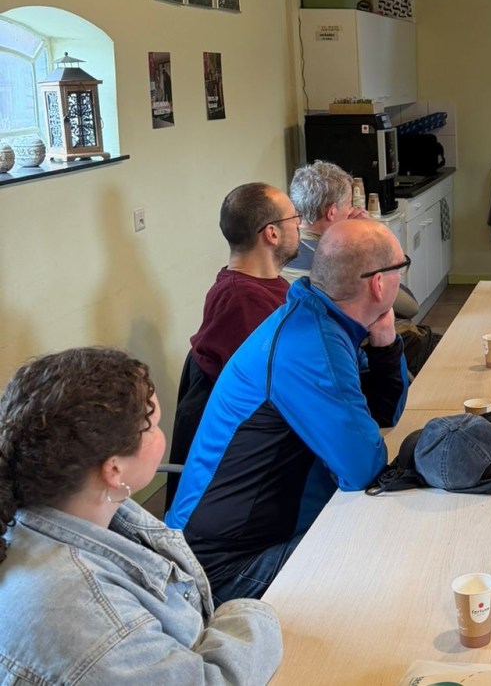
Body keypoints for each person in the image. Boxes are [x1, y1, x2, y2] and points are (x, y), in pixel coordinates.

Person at [0, 347, 283, 683]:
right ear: (114, 469)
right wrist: (249, 611)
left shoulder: (88, 506)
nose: (161, 434)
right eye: (153, 425)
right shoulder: (88, 617)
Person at [168, 219, 411, 603]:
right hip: (219, 570)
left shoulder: (321, 319)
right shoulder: (313, 348)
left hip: (239, 542)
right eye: (402, 267)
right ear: (379, 284)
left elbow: (383, 415)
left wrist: (384, 344)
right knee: (387, 555)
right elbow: (363, 468)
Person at [167, 182, 301, 505]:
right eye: (294, 217)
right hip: (241, 472)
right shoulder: (242, 301)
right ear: (271, 234)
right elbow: (279, 393)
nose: (299, 224)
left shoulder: (260, 285)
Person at [284, 159, 419, 320]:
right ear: (332, 212)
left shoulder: (281, 247)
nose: (354, 210)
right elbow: (409, 306)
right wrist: (372, 236)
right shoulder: (344, 255)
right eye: (349, 204)